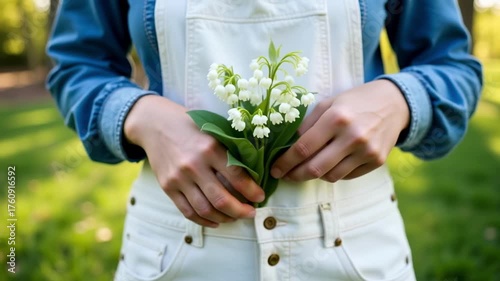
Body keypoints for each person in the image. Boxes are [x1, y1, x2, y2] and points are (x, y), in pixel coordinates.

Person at [46, 1, 482, 280]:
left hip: (358, 253)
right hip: (173, 253)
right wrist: (141, 116)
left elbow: (452, 66)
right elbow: (77, 65)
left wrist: (400, 100)